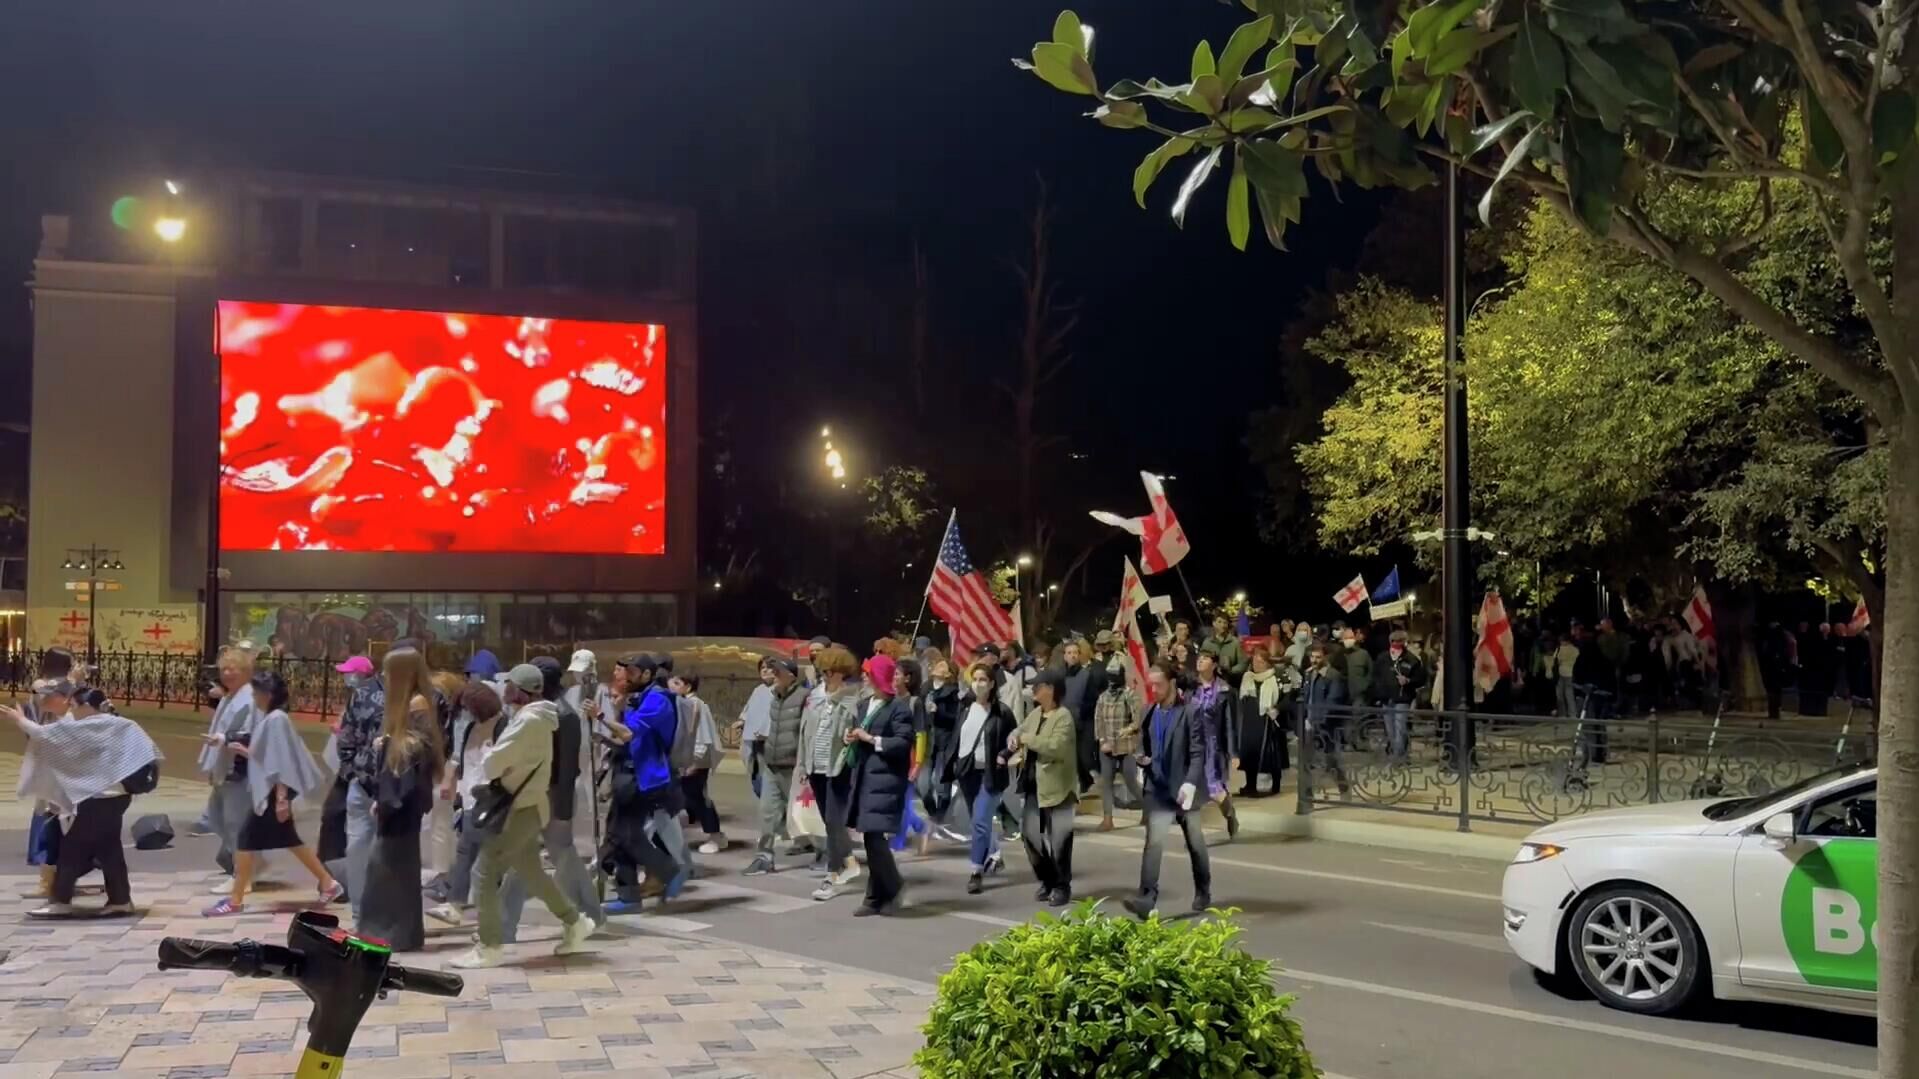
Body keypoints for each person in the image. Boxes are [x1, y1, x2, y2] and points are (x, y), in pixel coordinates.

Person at [453, 664, 598, 969]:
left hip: (516, 811)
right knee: (532, 872)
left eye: (509, 686)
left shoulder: (528, 721)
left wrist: (492, 752)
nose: (504, 691)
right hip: (527, 807)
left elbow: (493, 764)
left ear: (520, 690)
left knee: (484, 872)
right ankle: (575, 922)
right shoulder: (540, 718)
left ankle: (489, 946)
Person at [9, 685, 159, 917]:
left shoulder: (92, 726)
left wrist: (19, 720)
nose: (72, 711)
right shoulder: (121, 724)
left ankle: (61, 900)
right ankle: (120, 899)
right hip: (117, 796)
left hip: (99, 797)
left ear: (86, 706)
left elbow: (45, 736)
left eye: (74, 706)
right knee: (109, 849)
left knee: (72, 848)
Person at [205, 672, 342, 916]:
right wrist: (246, 752)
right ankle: (329, 883)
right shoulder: (273, 718)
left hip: (273, 792)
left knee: (246, 840)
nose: (254, 697)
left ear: (267, 695)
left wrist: (281, 799)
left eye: (257, 693)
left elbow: (281, 762)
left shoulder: (276, 719)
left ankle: (235, 900)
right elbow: (270, 756)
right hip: (273, 790)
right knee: (290, 840)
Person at [500, 656, 604, 942]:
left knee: (534, 856)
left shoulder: (562, 715)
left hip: (549, 795)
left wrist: (560, 807)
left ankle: (504, 925)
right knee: (558, 855)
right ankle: (590, 914)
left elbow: (567, 767)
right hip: (543, 794)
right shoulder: (548, 710)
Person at [357, 669, 443, 950]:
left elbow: (400, 787)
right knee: (397, 876)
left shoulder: (408, 737)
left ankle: (387, 935)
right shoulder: (411, 735)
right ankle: (398, 935)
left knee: (387, 876)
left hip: (397, 818)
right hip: (402, 815)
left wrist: (383, 804)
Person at [599, 654, 688, 914]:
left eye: (631, 672)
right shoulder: (637, 697)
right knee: (620, 834)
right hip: (626, 771)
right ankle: (628, 895)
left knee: (626, 835)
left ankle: (667, 870)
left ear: (647, 674)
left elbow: (629, 733)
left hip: (642, 777)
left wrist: (602, 715)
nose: (624, 676)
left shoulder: (657, 699)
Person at [1124, 663, 1213, 918]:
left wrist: (1190, 783)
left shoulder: (1190, 712)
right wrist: (1141, 759)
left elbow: (1198, 753)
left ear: (1172, 683)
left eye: (1158, 684)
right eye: (1151, 684)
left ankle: (1203, 890)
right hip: (1158, 789)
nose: (1154, 689)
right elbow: (1143, 745)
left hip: (1184, 789)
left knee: (1195, 843)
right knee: (1153, 844)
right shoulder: (1148, 711)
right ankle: (1147, 898)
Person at [841, 654, 917, 915]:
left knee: (874, 836)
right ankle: (875, 897)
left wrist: (872, 739)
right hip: (864, 777)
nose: (863, 677)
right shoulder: (864, 705)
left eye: (868, 673)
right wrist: (851, 737)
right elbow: (858, 731)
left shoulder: (899, 708)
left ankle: (893, 887)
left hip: (886, 779)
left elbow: (903, 743)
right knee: (870, 836)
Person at [428, 680, 504, 924]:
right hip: (470, 798)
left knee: (473, 853)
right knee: (469, 852)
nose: (465, 712)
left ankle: (461, 904)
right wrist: (450, 783)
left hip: (488, 800)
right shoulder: (472, 727)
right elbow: (460, 759)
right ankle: (460, 904)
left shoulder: (502, 727)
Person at [801, 646, 865, 901]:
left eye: (831, 671)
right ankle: (848, 862)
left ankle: (833, 873)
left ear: (842, 672)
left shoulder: (853, 699)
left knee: (834, 819)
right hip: (814, 763)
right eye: (823, 671)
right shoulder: (814, 697)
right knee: (830, 822)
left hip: (837, 765)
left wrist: (852, 737)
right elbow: (805, 732)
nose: (826, 676)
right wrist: (802, 765)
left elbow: (857, 731)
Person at [1010, 668, 1078, 906]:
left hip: (1057, 789)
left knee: (1059, 840)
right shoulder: (1036, 713)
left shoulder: (1063, 716)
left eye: (1037, 686)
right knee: (1030, 836)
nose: (1033, 690)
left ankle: (1061, 886)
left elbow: (1056, 747)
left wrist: (1027, 739)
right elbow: (1020, 730)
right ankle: (1047, 880)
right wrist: (1015, 736)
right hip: (1032, 784)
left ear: (1050, 689)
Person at [198, 646, 263, 892]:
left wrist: (224, 739)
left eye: (232, 669)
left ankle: (242, 876)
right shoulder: (230, 696)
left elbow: (250, 734)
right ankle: (245, 869)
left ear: (245, 671)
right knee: (219, 818)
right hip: (226, 769)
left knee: (236, 823)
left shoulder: (249, 698)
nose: (226, 673)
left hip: (239, 770)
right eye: (223, 669)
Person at [951, 661, 1017, 894]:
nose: (978, 684)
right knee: (978, 822)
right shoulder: (965, 707)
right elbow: (956, 738)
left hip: (990, 775)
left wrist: (1004, 754)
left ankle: (976, 871)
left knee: (980, 822)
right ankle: (994, 855)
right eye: (975, 679)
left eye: (983, 680)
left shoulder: (1002, 712)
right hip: (967, 773)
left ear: (991, 684)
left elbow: (1015, 738)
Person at [329, 650, 387, 915]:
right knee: (369, 846)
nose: (346, 678)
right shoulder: (365, 696)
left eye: (348, 673)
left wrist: (353, 768)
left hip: (370, 783)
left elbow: (347, 740)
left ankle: (363, 911)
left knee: (362, 846)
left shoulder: (366, 697)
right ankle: (367, 910)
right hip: (370, 782)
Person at [744, 659, 810, 875]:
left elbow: (806, 732)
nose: (773, 675)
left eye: (778, 672)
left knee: (802, 814)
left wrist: (805, 764)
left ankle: (826, 852)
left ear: (791, 675)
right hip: (772, 763)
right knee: (767, 812)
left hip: (793, 766)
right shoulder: (774, 698)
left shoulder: (803, 698)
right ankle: (764, 857)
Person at [669, 673, 726, 855]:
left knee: (698, 799)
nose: (672, 687)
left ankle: (715, 834)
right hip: (690, 760)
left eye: (677, 683)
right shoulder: (687, 703)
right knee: (691, 798)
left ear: (688, 686)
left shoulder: (694, 705)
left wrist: (694, 761)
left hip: (695, 761)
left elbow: (701, 736)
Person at [1190, 645, 1240, 839]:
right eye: (1199, 658)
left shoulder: (1224, 691)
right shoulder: (1190, 688)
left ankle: (1229, 814)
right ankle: (1194, 834)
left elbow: (1229, 724)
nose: (1200, 661)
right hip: (1192, 745)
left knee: (1215, 790)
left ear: (1214, 664)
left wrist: (1233, 753)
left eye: (1205, 658)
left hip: (1212, 746)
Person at [1092, 654, 1144, 827]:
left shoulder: (1130, 695)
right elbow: (1098, 720)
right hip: (1107, 746)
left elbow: (1137, 720)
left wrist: (1128, 730)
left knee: (1130, 780)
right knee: (1106, 781)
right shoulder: (1103, 697)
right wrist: (1101, 740)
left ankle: (1148, 809)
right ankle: (1108, 818)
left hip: (1126, 745)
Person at [1237, 647, 1295, 796]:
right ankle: (1250, 785)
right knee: (1250, 753)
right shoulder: (1247, 677)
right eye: (1255, 661)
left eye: (1261, 662)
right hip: (1251, 721)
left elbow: (1289, 698)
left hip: (1271, 720)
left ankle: (1276, 785)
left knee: (1273, 753)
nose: (1257, 665)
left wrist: (1278, 709)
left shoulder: (1278, 677)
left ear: (1268, 663)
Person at [920, 656, 964, 842]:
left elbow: (955, 719)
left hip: (945, 741)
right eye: (935, 664)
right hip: (928, 740)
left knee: (941, 783)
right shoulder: (926, 689)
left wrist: (939, 711)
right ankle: (932, 813)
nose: (936, 667)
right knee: (922, 785)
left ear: (948, 674)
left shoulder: (953, 694)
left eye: (941, 666)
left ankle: (940, 817)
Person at [1300, 643, 1348, 795]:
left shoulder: (1333, 676)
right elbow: (1305, 697)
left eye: (1318, 657)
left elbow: (1333, 701)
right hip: (1309, 722)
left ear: (1325, 657)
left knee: (1330, 760)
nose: (1314, 660)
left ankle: (1344, 787)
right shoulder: (1309, 674)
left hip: (1326, 725)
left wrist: (1321, 721)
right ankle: (1307, 795)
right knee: (1306, 760)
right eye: (1312, 657)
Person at [1372, 630, 1426, 761]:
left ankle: (1398, 758)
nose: (1397, 644)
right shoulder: (1382, 658)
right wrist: (1378, 696)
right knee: (1390, 731)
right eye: (1395, 641)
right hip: (1386, 700)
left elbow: (1421, 679)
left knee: (1400, 729)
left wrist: (1408, 681)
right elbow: (1376, 677)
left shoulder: (1412, 660)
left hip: (1402, 699)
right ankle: (1397, 753)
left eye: (1400, 641)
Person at [739, 659, 776, 801]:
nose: (765, 670)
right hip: (753, 739)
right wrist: (742, 721)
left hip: (769, 741)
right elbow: (749, 710)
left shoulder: (778, 690)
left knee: (764, 776)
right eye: (762, 668)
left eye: (769, 668)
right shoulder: (758, 690)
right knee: (755, 775)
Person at [1200, 615, 1248, 681]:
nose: (1222, 625)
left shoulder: (1235, 642)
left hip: (1230, 680)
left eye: (1225, 623)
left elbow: (1243, 663)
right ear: (1214, 623)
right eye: (1219, 622)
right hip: (1211, 680)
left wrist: (1230, 671)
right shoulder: (1207, 643)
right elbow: (1201, 661)